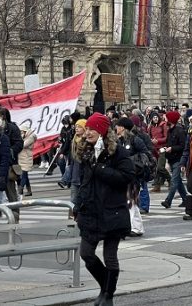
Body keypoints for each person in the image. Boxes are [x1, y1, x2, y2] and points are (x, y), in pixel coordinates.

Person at [74, 112, 135, 306]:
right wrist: (77, 205)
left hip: (112, 211)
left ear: (101, 130)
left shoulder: (118, 152)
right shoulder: (87, 151)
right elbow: (83, 182)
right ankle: (105, 287)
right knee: (86, 254)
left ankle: (108, 295)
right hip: (91, 211)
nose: (88, 133)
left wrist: (100, 169)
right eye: (87, 129)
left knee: (110, 257)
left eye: (92, 129)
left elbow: (126, 177)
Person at [114, 117, 149, 235]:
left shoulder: (136, 140)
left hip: (134, 176)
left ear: (122, 127)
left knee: (130, 201)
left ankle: (130, 228)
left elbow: (146, 154)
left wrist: (132, 161)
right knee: (130, 201)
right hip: (123, 174)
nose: (116, 128)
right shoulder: (118, 140)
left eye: (118, 125)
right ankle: (137, 228)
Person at [0, 107, 23, 221]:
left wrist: (8, 151)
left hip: (8, 165)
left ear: (2, 117)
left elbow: (19, 144)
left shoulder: (12, 128)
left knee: (11, 193)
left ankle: (15, 216)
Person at [160, 110, 187, 209]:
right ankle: (185, 199)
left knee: (174, 180)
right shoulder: (170, 130)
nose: (165, 119)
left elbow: (183, 146)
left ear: (171, 119)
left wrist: (172, 148)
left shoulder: (179, 131)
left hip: (178, 159)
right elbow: (169, 143)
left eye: (166, 118)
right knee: (178, 181)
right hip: (172, 158)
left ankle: (168, 201)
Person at [148, 112, 170, 192]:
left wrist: (157, 141)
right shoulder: (150, 127)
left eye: (156, 117)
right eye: (154, 118)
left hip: (162, 148)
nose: (155, 119)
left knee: (160, 167)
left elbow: (166, 137)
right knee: (157, 168)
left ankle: (169, 179)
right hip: (154, 149)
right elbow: (149, 136)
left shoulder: (163, 125)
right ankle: (157, 185)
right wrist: (151, 141)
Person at [18, 125, 35, 197]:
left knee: (24, 174)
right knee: (25, 175)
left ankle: (20, 189)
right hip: (22, 157)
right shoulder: (25, 137)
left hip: (26, 157)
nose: (21, 133)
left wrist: (20, 139)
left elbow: (23, 145)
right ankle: (29, 190)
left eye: (22, 132)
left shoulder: (31, 137)